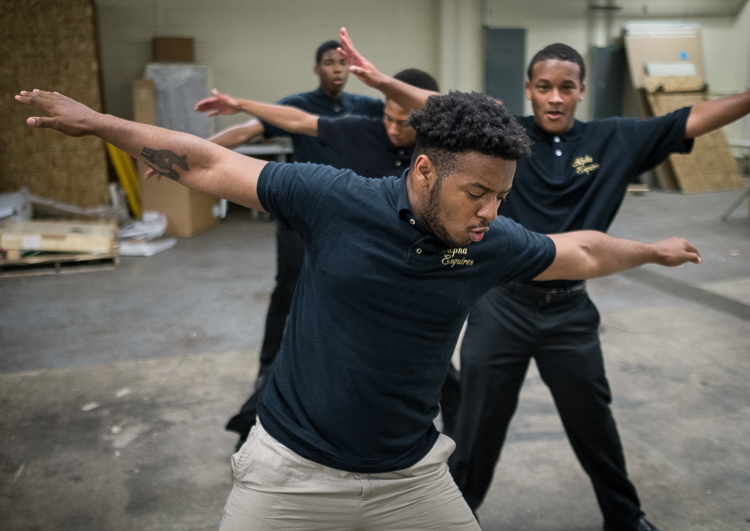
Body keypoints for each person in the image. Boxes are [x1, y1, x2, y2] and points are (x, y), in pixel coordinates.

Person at [16, 87, 702, 531]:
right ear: (426, 170)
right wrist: (98, 123)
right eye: (478, 193)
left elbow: (580, 252)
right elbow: (203, 166)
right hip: (290, 471)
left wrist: (650, 250)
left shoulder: (488, 240)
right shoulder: (335, 199)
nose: (492, 211)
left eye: (502, 195)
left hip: (412, 476)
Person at [336, 28, 750, 531]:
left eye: (567, 86)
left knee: (594, 423)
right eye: (544, 86)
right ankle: (457, 519)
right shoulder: (511, 137)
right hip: (501, 307)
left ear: (581, 89)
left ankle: (626, 517)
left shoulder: (613, 139)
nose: (555, 97)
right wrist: (380, 80)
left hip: (570, 311)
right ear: (528, 89)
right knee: (475, 428)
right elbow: (439, 105)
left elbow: (695, 118)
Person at [196, 68, 467, 440]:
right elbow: (300, 121)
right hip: (358, 273)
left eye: (403, 122)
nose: (391, 128)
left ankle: (458, 428)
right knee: (305, 345)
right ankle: (254, 425)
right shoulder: (363, 130)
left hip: (414, 278)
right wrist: (240, 103)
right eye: (387, 117)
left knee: (431, 361)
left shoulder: (447, 150)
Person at [202, 40, 385, 449]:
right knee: (289, 298)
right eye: (329, 63)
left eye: (343, 63)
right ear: (316, 69)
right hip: (301, 223)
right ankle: (265, 384)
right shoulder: (297, 105)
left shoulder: (365, 107)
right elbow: (248, 129)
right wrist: (196, 152)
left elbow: (402, 119)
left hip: (352, 224)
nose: (337, 69)